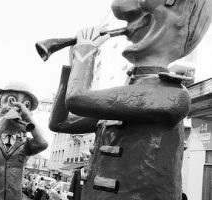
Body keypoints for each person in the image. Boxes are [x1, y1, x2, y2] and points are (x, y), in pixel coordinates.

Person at [48, 0, 212, 199]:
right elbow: (59, 123)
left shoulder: (172, 94)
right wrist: (73, 65)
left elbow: (76, 99)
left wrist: (85, 52)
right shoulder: (125, 96)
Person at [0, 82, 48, 200]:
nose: (20, 108)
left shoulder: (25, 144)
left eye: (26, 105)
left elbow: (43, 144)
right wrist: (7, 117)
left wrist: (28, 117)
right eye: (11, 100)